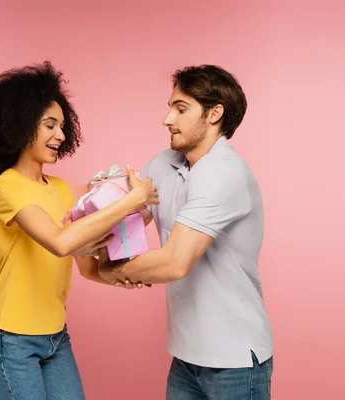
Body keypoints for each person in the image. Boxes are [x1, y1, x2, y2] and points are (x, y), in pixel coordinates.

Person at [0, 61, 158, 400]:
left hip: (56, 338)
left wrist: (119, 274)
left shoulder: (62, 188)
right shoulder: (6, 188)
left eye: (63, 126)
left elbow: (86, 265)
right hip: (10, 342)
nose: (61, 135)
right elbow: (60, 242)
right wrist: (131, 202)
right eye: (50, 125)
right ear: (19, 125)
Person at [98, 65, 274, 399]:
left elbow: (175, 262)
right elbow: (123, 224)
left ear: (214, 114)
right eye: (170, 108)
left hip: (234, 359)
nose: (167, 119)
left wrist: (109, 271)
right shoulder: (165, 164)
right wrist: (82, 220)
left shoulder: (224, 173)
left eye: (181, 109)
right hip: (186, 356)